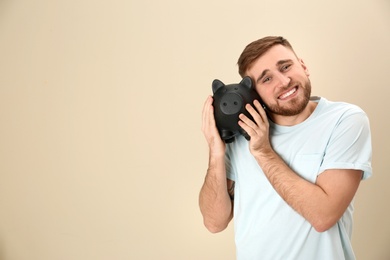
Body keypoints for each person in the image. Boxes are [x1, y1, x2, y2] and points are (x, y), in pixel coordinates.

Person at [199, 36, 372, 260]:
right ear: (253, 93)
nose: (283, 81)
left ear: (304, 65)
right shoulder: (243, 134)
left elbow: (323, 216)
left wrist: (263, 152)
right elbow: (214, 222)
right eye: (267, 78)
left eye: (286, 66)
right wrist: (215, 151)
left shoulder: (344, 120)